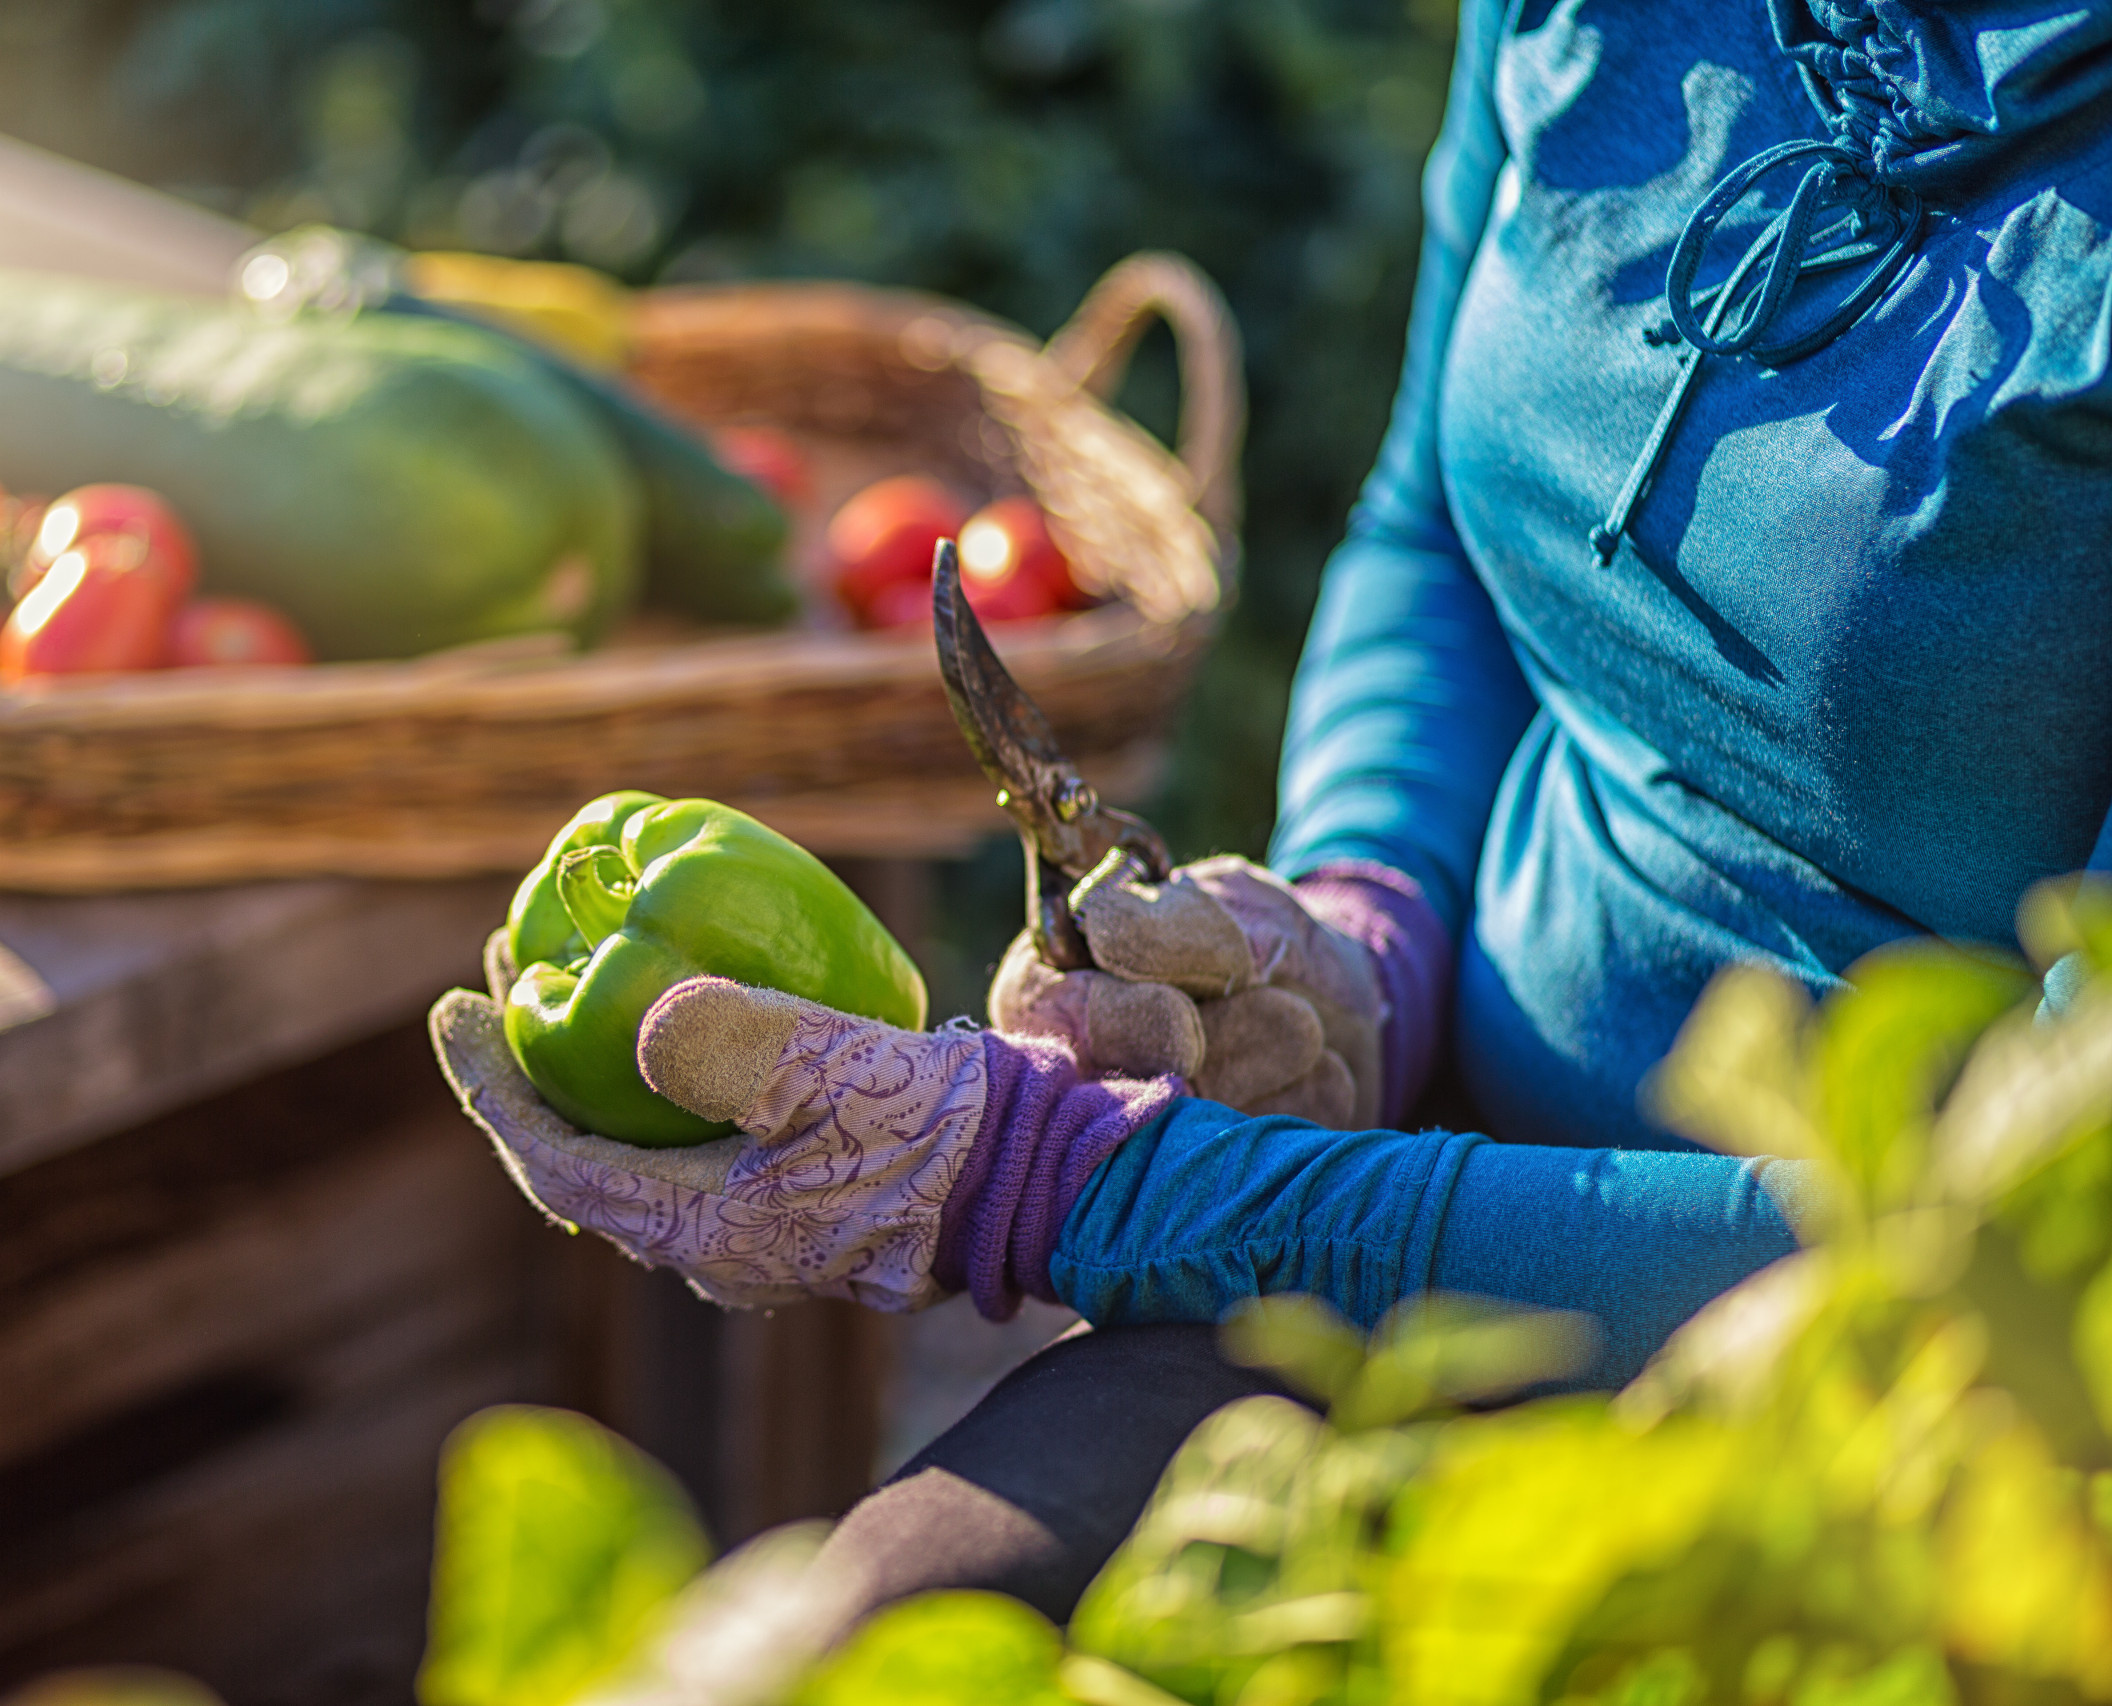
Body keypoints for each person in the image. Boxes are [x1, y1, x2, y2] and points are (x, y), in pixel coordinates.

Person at [433, 0, 2112, 1628]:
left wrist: (1075, 1184)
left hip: (1892, 1398)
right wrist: (1365, 937)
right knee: (866, 1637)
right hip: (1412, 1207)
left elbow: (2033, 1258)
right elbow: (1433, 541)